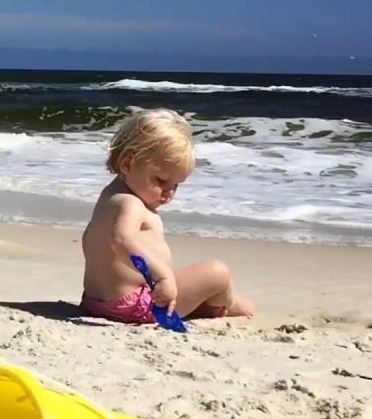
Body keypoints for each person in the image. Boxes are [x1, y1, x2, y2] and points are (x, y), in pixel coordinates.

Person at [81, 108, 254, 325]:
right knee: (217, 272)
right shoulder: (130, 203)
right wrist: (161, 276)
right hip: (139, 305)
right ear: (128, 163)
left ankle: (206, 305)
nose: (169, 192)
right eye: (161, 181)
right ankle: (229, 303)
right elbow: (121, 240)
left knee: (189, 284)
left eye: (176, 185)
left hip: (95, 302)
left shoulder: (109, 197)